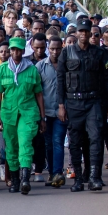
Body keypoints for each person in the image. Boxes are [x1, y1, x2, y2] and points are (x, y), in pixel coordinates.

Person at [57, 18, 108, 192]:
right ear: (76, 33)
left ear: (90, 33)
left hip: (93, 102)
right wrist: (61, 105)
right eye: (80, 31)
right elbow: (60, 80)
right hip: (73, 102)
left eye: (87, 32)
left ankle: (95, 178)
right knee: (75, 142)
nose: (84, 34)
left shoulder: (100, 53)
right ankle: (78, 179)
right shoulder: (66, 53)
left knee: (96, 138)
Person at [0, 37, 45, 194]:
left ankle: (24, 180)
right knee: (11, 147)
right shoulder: (2, 69)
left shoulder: (31, 69)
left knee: (25, 144)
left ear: (23, 51)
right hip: (8, 113)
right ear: (10, 51)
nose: (15, 53)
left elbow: (39, 95)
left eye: (18, 50)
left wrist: (43, 118)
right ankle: (14, 181)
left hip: (28, 112)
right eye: (13, 49)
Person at [34, 35, 67, 187]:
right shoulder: (40, 66)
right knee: (48, 144)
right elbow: (36, 92)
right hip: (45, 112)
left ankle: (57, 173)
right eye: (52, 49)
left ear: (62, 48)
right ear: (48, 49)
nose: (55, 51)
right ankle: (52, 173)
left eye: (58, 49)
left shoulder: (67, 65)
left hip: (62, 111)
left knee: (58, 141)